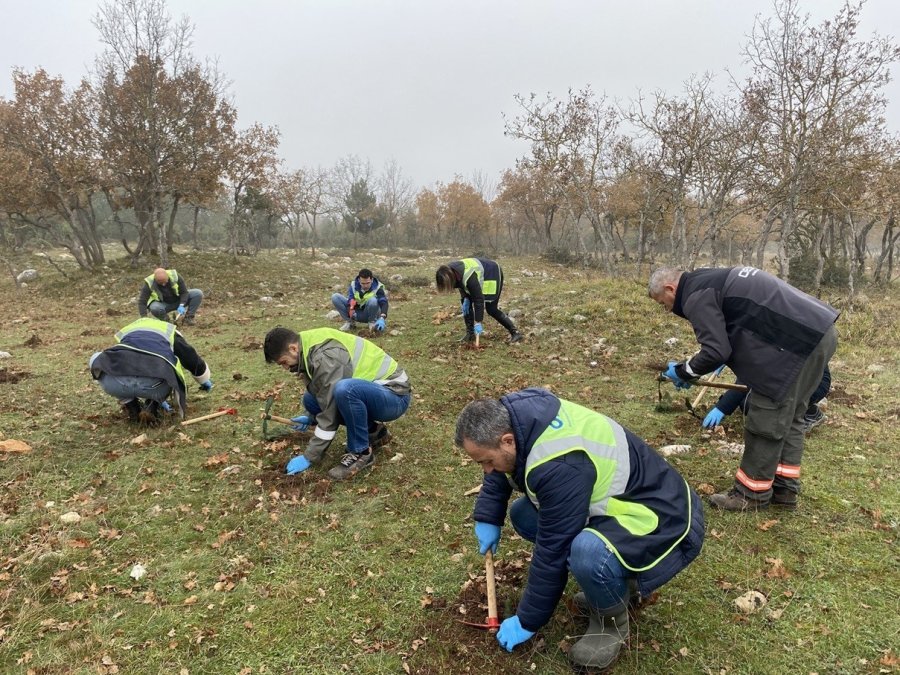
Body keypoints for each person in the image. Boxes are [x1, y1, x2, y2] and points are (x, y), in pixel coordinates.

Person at [456, 388, 704, 670]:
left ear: (507, 440)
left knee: (587, 554)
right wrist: (489, 515)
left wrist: (528, 620)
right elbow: (506, 465)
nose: (487, 470)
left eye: (486, 461)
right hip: (617, 501)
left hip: (661, 517)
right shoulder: (519, 418)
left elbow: (553, 549)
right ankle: (612, 584)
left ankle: (611, 623)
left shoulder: (559, 464)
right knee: (524, 515)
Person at [648, 266, 838, 511]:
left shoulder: (694, 295)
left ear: (670, 288)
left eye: (664, 304)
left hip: (795, 344)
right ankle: (784, 490)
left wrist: (684, 371)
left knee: (766, 418)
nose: (668, 310)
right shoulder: (709, 279)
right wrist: (697, 367)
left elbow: (716, 350)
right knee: (791, 417)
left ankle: (751, 495)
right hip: (819, 332)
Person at [263, 326, 411, 481]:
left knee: (345, 390)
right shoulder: (306, 347)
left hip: (394, 395)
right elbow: (322, 391)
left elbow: (331, 407)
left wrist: (309, 457)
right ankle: (374, 432)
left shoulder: (324, 356)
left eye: (284, 362)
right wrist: (311, 416)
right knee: (310, 400)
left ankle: (361, 452)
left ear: (293, 348)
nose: (286, 368)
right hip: (374, 393)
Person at [89, 317, 213, 424]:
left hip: (115, 383)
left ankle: (132, 408)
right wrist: (203, 379)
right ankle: (152, 405)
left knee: (97, 357)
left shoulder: (129, 331)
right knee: (169, 367)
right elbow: (190, 357)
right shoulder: (169, 332)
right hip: (155, 386)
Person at [703, 365, 831, 434]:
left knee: (760, 406)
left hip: (813, 382)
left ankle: (808, 412)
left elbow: (751, 375)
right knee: (746, 403)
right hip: (785, 376)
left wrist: (722, 407)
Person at [435, 257, 523, 343]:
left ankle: (515, 333)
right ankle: (470, 334)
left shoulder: (467, 276)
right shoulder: (450, 271)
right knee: (466, 305)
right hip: (475, 277)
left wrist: (478, 322)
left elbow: (478, 300)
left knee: (491, 309)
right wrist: (465, 297)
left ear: (450, 279)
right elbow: (461, 284)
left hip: (492, 273)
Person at [137, 268, 203, 325]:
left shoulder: (175, 276)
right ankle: (167, 322)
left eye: (165, 282)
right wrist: (144, 317)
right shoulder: (149, 282)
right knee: (154, 307)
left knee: (197, 293)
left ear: (167, 276)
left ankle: (188, 318)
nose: (163, 284)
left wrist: (182, 304)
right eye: (160, 283)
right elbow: (142, 301)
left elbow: (184, 292)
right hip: (163, 305)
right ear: (155, 279)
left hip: (178, 300)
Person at [331, 268, 389, 333]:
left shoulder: (378, 288)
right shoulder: (353, 285)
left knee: (373, 300)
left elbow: (384, 302)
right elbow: (350, 298)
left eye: (368, 283)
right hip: (357, 313)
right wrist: (350, 307)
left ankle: (372, 323)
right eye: (363, 283)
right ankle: (350, 323)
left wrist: (382, 317)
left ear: (372, 280)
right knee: (335, 297)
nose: (366, 286)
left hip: (372, 314)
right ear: (359, 280)